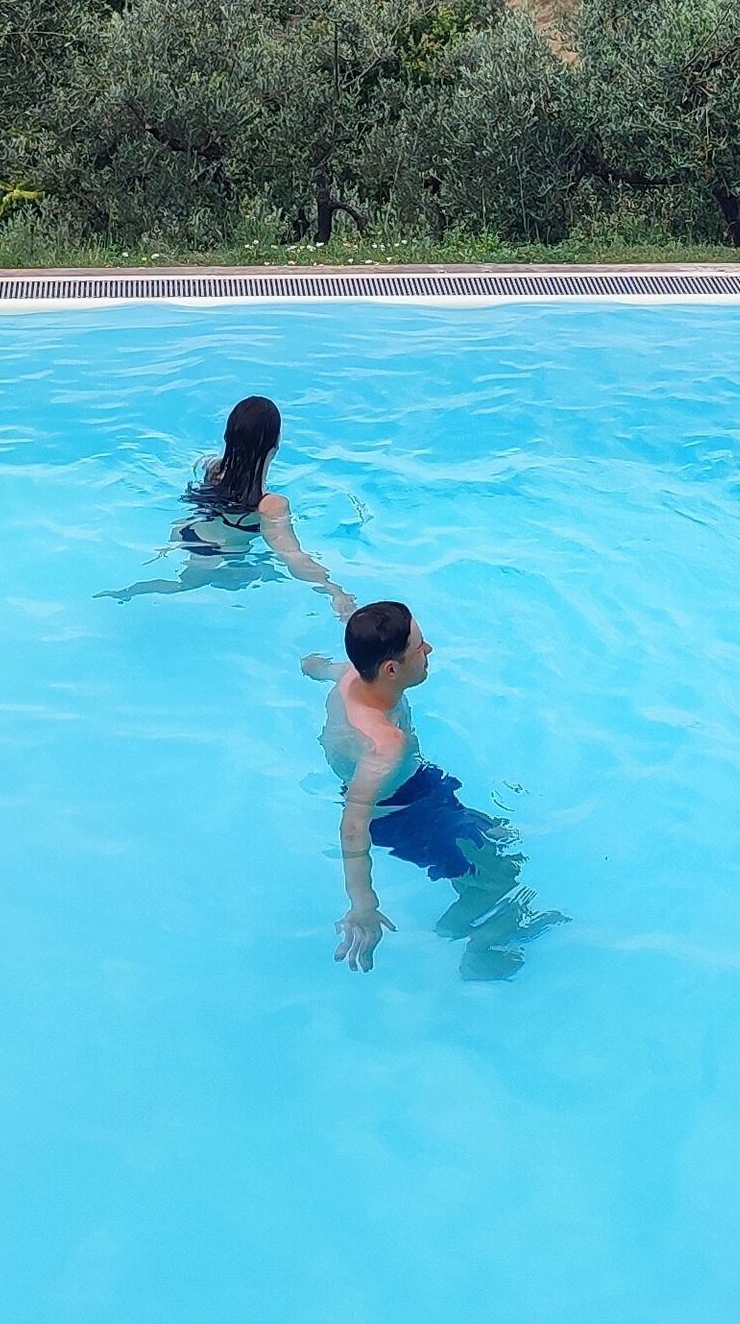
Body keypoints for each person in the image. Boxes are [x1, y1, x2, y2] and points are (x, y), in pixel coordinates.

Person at [308, 598, 556, 977]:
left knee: (496, 843)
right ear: (391, 669)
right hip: (401, 813)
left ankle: (471, 914)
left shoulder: (350, 676)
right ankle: (477, 953)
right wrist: (363, 902)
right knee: (499, 876)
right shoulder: (385, 742)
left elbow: (322, 668)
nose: (429, 651)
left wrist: (311, 666)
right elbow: (353, 822)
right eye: (419, 647)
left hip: (415, 786)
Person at [103, 395, 349, 612]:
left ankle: (126, 592)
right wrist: (333, 589)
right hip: (213, 551)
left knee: (209, 576)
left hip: (185, 530)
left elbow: (201, 463)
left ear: (228, 436)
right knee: (190, 585)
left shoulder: (214, 468)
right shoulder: (270, 504)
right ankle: (130, 594)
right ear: (276, 444)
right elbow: (292, 556)